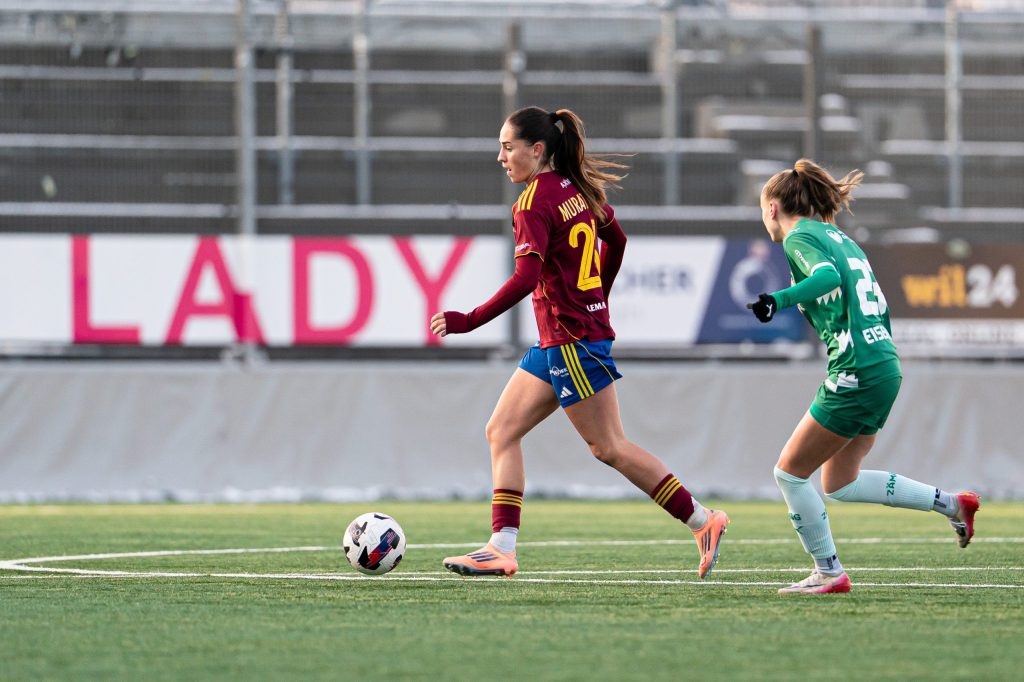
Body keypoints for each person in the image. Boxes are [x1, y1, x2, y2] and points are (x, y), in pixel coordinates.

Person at [430, 106, 729, 578]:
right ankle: (501, 547)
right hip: (562, 338)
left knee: (609, 447)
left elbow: (526, 278)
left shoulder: (532, 202)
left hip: (571, 341)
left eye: (507, 148)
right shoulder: (576, 189)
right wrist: (597, 299)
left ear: (536, 149)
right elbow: (618, 240)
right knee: (501, 431)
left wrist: (468, 320)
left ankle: (702, 519)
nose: (501, 157)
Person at [747, 158, 980, 595]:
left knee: (789, 473)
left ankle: (829, 572)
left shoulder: (800, 237)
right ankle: (953, 504)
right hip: (883, 363)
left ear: (772, 208)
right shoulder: (842, 239)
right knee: (840, 482)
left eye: (762, 210)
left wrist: (777, 300)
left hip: (857, 367)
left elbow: (826, 277)